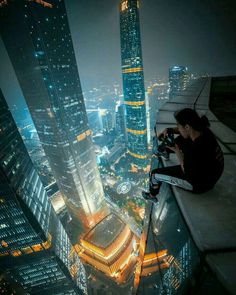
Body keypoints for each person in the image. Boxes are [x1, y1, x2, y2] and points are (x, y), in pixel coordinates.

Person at [142, 108, 224, 203]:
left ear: (187, 127)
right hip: (211, 172)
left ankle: (152, 195)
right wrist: (170, 130)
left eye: (178, 125)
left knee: (154, 175)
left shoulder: (196, 149)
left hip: (198, 184)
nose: (178, 127)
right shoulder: (203, 131)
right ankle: (164, 151)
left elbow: (187, 172)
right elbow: (183, 132)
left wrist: (177, 151)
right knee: (180, 140)